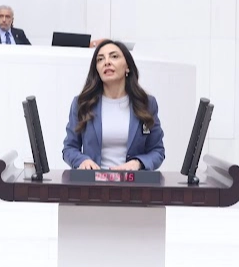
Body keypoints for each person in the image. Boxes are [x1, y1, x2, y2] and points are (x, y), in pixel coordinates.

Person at [62, 39, 164, 171]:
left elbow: (157, 151)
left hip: (133, 181)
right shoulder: (82, 103)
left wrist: (138, 163)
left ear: (127, 66)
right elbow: (69, 148)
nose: (107, 62)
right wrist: (83, 161)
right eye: (100, 59)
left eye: (114, 56)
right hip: (93, 180)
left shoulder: (146, 104)